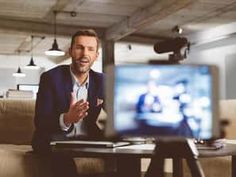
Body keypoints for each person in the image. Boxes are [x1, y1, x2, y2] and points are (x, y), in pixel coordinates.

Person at [32, 29, 105, 177]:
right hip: (54, 138)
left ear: (96, 56)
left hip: (89, 141)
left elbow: (115, 115)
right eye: (79, 47)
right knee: (62, 154)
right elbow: (40, 121)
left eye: (90, 49)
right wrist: (66, 118)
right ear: (71, 51)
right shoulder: (50, 78)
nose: (85, 54)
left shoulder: (103, 81)